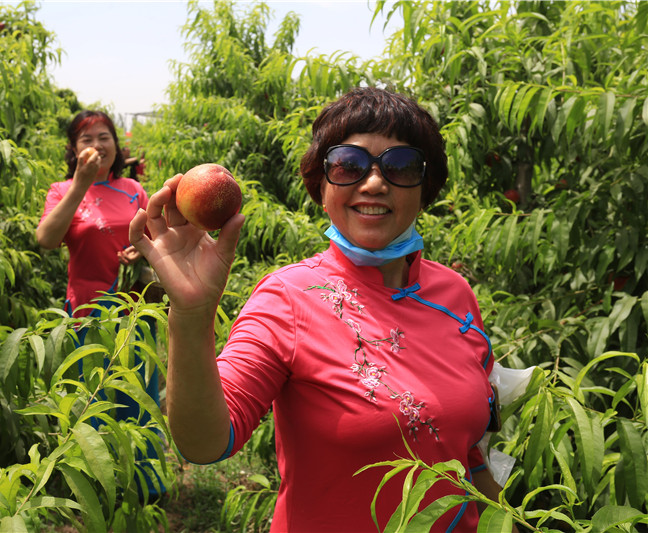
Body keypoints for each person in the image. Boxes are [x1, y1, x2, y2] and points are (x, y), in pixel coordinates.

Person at [129, 88, 507, 531]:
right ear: (321, 185)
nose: (374, 182)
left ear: (426, 188)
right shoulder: (289, 297)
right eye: (349, 164)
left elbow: (469, 449)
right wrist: (192, 315)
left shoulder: (455, 293)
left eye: (401, 166)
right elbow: (207, 442)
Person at [36, 110, 164, 500]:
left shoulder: (133, 190)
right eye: (86, 139)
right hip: (85, 313)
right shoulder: (63, 190)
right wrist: (80, 185)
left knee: (139, 396)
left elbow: (156, 240)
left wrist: (140, 253)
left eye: (103, 136)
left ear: (116, 144)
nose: (96, 146)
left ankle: (143, 486)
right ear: (74, 151)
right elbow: (46, 238)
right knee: (90, 400)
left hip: (134, 312)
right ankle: (94, 489)